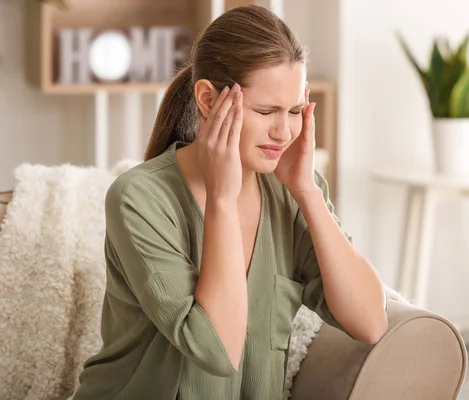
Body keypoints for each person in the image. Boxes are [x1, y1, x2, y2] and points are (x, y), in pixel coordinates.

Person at [73, 5, 388, 400]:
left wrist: (307, 192)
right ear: (207, 98)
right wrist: (222, 198)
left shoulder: (293, 193)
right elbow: (216, 351)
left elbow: (371, 322)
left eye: (294, 111)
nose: (284, 131)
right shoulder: (138, 199)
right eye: (265, 110)